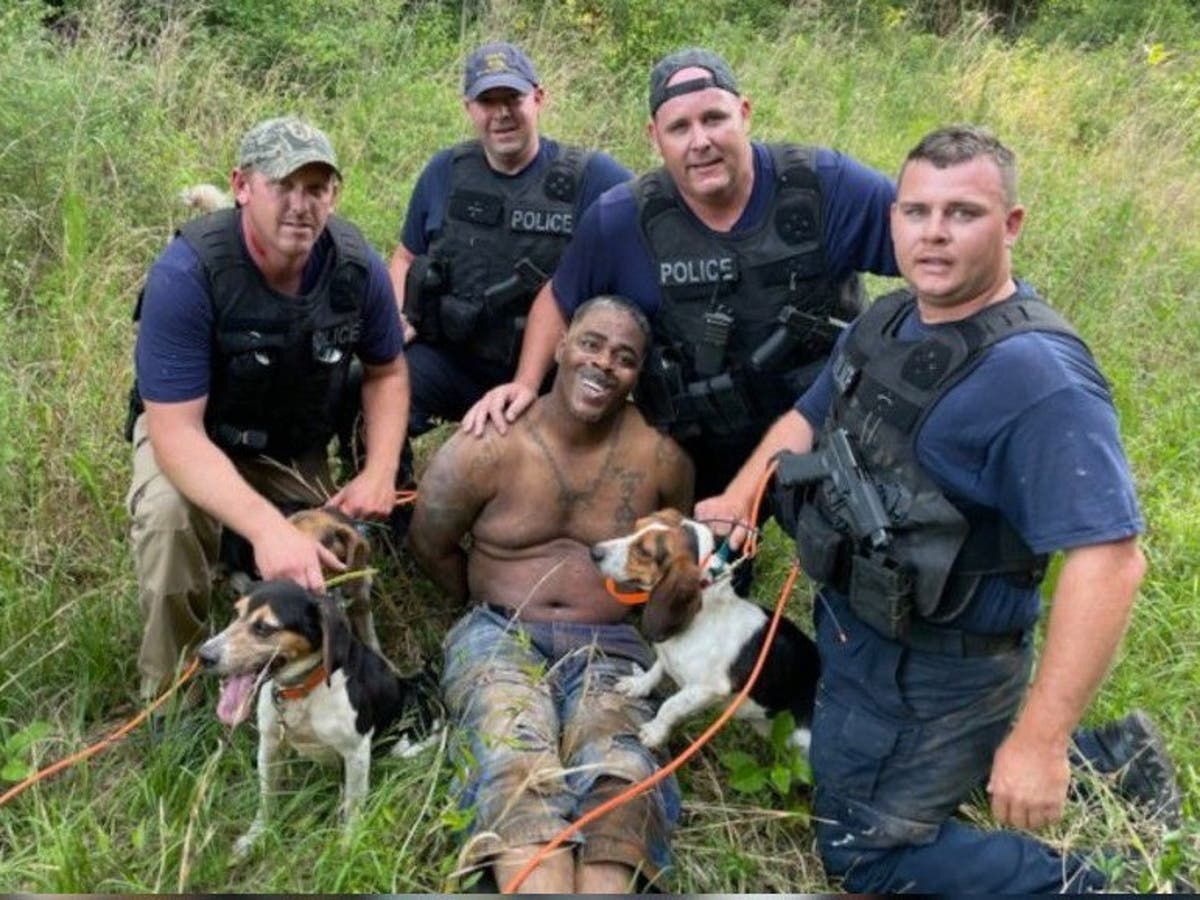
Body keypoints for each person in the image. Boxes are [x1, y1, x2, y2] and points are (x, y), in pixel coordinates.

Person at [697, 125, 1181, 893]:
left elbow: (1111, 563)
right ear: (892, 220)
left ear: (1011, 224)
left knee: (863, 851)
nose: (934, 234)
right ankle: (1112, 760)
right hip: (859, 632)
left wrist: (1043, 740)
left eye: (963, 213)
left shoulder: (1037, 378)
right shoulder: (887, 321)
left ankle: (1102, 879)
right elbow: (808, 416)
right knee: (838, 760)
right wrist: (739, 494)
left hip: (936, 666)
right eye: (916, 211)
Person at [463, 46, 898, 501]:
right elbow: (559, 298)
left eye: (714, 119)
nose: (700, 141)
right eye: (679, 127)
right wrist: (526, 383)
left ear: (744, 113)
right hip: (703, 442)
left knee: (864, 542)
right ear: (654, 137)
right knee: (681, 567)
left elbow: (936, 256)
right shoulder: (620, 219)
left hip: (823, 425)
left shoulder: (826, 186)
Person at [408, 296, 693, 893]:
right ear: (560, 345)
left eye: (624, 358)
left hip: (610, 645)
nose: (603, 365)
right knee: (511, 749)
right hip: (498, 630)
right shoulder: (489, 442)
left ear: (639, 373)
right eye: (590, 344)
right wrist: (483, 606)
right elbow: (430, 541)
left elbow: (672, 557)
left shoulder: (661, 457)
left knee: (622, 765)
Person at [127, 116, 408, 699]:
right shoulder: (189, 273)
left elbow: (387, 372)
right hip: (197, 438)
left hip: (290, 446)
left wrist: (379, 471)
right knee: (170, 520)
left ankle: (342, 687)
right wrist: (265, 530)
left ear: (334, 194)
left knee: (330, 550)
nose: (300, 205)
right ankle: (168, 694)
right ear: (241, 185)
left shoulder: (357, 269)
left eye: (316, 189)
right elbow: (175, 434)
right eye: (283, 186)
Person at [391, 41, 633, 440]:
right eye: (488, 101)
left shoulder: (592, 177)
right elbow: (405, 255)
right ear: (469, 107)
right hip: (455, 359)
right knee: (373, 383)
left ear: (538, 99)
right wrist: (399, 315)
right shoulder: (444, 172)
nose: (502, 113)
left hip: (550, 377)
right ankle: (390, 494)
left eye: (513, 98)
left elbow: (652, 213)